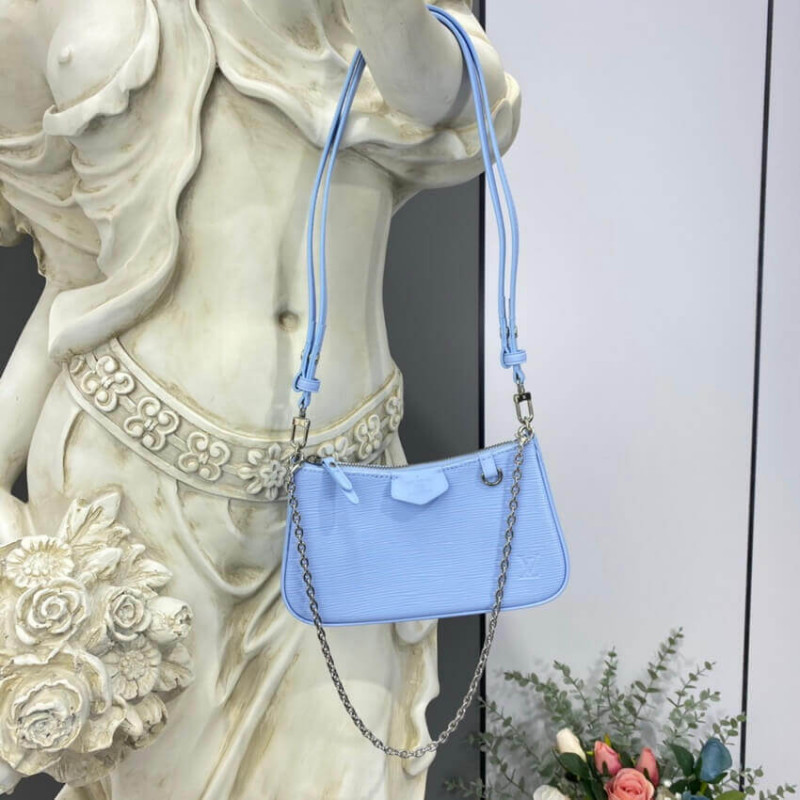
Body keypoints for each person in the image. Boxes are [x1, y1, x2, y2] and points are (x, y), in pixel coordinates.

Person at [0, 1, 520, 797]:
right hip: (134, 491)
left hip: (349, 489)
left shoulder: (378, 22)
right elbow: (71, 274)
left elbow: (453, 98)